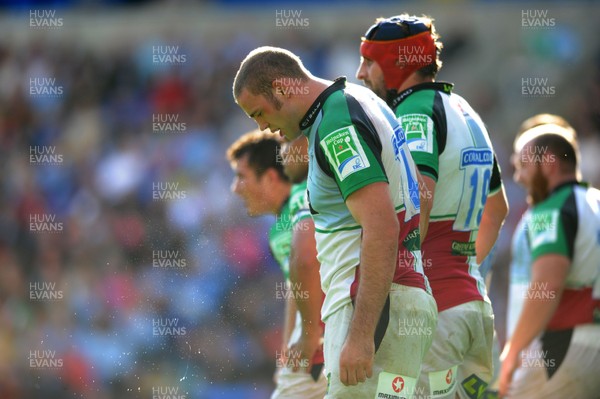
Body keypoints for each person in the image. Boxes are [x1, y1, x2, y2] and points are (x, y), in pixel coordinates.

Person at [233, 46, 437, 398]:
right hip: (402, 299)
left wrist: (360, 335)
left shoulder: (335, 124)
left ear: (281, 89)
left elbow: (382, 226)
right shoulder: (360, 101)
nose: (262, 126)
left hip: (370, 312)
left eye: (259, 113)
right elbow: (417, 191)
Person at [357, 15, 509, 398]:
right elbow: (498, 210)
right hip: (474, 309)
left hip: (434, 318)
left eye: (369, 61)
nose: (360, 74)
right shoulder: (468, 113)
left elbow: (418, 203)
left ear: (397, 64)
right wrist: (460, 270)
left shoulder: (413, 112)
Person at [498, 119, 600, 398]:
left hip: (561, 346)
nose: (519, 177)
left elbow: (548, 285)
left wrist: (513, 351)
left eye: (524, 166)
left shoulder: (550, 211)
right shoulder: (595, 202)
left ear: (550, 163)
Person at [226, 130, 327, 399]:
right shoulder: (280, 226)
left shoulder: (300, 201)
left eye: (241, 177)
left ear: (270, 177)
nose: (235, 188)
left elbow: (308, 263)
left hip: (329, 342)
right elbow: (298, 286)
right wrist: (286, 351)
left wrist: (309, 334)